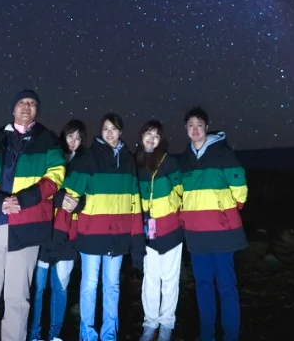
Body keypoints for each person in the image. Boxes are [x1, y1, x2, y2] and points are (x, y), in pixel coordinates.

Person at [0, 89, 66, 341]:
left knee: (18, 300)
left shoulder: (48, 140)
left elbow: (56, 175)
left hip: (26, 229)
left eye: (32, 103)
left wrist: (22, 200)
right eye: (22, 102)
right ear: (13, 108)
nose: (26, 106)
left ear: (37, 111)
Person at [54, 113, 145, 341]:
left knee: (112, 286)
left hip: (117, 235)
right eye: (105, 128)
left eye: (114, 129)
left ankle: (108, 335)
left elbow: (135, 202)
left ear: (121, 132)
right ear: (100, 131)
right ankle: (87, 334)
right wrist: (62, 200)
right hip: (91, 234)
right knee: (89, 286)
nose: (109, 132)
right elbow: (68, 191)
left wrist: (136, 241)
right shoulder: (90, 158)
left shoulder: (128, 160)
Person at [177, 106, 248, 341]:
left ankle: (230, 336)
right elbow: (179, 194)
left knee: (226, 287)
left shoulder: (223, 153)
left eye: (199, 125)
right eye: (190, 126)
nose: (195, 130)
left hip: (221, 232)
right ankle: (206, 335)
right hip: (197, 234)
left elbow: (240, 191)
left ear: (207, 127)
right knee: (203, 286)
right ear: (186, 130)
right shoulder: (184, 159)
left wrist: (224, 212)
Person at [28, 119, 87, 341]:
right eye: (71, 135)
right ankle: (34, 334)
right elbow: (40, 190)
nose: (74, 141)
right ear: (64, 136)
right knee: (39, 288)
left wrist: (80, 203)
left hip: (68, 235)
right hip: (45, 232)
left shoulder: (84, 163)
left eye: (79, 137)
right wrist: (60, 198)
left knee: (60, 289)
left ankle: (55, 334)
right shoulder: (52, 159)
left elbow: (88, 194)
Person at [135, 120, 183, 341]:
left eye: (156, 135)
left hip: (171, 230)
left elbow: (182, 193)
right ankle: (150, 323)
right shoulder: (137, 163)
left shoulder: (170, 162)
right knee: (151, 280)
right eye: (148, 134)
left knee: (169, 280)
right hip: (148, 233)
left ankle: (166, 324)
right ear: (141, 136)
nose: (151, 139)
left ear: (161, 139)